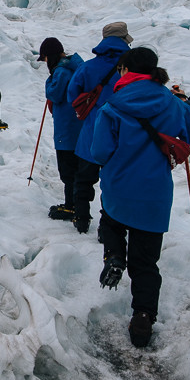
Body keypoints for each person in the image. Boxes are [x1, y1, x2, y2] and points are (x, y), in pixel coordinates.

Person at [90, 47, 190, 348]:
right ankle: (143, 317)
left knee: (111, 222)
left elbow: (99, 152)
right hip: (154, 195)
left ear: (127, 71)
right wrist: (185, 103)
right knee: (145, 261)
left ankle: (115, 255)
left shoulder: (112, 107)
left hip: (118, 187)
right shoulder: (171, 103)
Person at [65, 21, 133, 233]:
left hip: (92, 134)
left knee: (84, 179)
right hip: (122, 135)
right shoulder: (132, 70)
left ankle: (82, 219)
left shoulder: (88, 67)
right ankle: (108, 229)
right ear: (124, 41)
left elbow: (72, 96)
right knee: (113, 183)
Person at [38, 37, 85, 221]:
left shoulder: (61, 72)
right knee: (78, 169)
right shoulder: (75, 68)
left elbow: (55, 94)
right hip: (79, 126)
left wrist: (49, 82)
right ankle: (78, 207)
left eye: (45, 59)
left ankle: (71, 207)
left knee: (68, 170)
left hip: (67, 128)